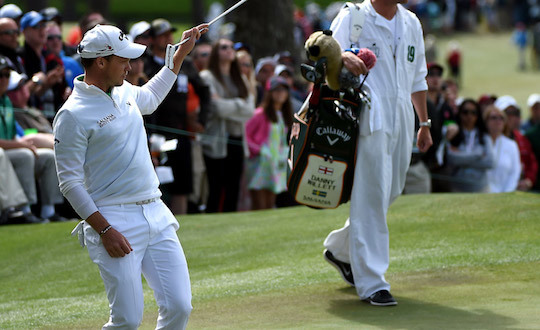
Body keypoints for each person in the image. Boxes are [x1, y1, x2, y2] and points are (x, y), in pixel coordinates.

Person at [53, 23, 206, 329]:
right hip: (113, 219)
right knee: (127, 320)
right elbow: (69, 182)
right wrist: (105, 230)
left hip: (155, 210)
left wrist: (178, 57)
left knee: (179, 306)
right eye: (123, 59)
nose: (131, 65)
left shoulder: (123, 91)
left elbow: (149, 98)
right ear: (100, 61)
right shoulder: (72, 114)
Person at [322, 0, 432, 306]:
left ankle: (341, 250)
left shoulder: (411, 21)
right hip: (367, 113)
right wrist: (343, 55)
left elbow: (418, 77)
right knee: (372, 195)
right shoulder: (353, 15)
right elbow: (325, 55)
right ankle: (373, 283)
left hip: (403, 118)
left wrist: (424, 123)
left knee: (390, 191)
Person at [0, 55, 64, 223]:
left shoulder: (5, 100)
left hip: (10, 148)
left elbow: (12, 132)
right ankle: (24, 210)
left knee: (48, 157)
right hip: (6, 151)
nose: (4, 80)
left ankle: (48, 211)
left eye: (7, 75)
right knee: (25, 155)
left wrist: (21, 143)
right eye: (1, 75)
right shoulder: (8, 102)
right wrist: (20, 144)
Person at [199, 38, 254, 213]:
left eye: (231, 47)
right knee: (215, 186)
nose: (229, 50)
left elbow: (250, 109)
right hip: (216, 140)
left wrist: (229, 104)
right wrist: (239, 105)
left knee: (233, 187)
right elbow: (216, 108)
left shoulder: (240, 78)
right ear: (216, 52)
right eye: (224, 47)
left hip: (237, 138)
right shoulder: (207, 77)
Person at [245, 76, 292, 210]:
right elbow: (246, 135)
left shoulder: (283, 114)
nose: (280, 93)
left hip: (276, 162)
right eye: (276, 90)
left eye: (283, 90)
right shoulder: (260, 114)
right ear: (269, 92)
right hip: (260, 163)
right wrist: (258, 150)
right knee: (260, 204)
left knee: (270, 203)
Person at [446, 99, 494, 192]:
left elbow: (490, 162)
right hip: (457, 188)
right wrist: (478, 155)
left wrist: (462, 158)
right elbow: (451, 158)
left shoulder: (484, 137)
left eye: (473, 112)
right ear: (460, 113)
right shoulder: (453, 134)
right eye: (465, 112)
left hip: (481, 188)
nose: (469, 116)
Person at [494, 95, 538, 191]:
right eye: (507, 113)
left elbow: (532, 163)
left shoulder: (522, 138)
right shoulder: (490, 139)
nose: (511, 117)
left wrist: (529, 180)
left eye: (515, 113)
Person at [483, 105, 521, 193]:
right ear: (486, 121)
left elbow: (515, 172)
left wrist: (507, 192)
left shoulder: (511, 145)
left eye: (501, 118)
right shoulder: (479, 142)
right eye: (493, 118)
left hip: (504, 194)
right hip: (481, 193)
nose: (498, 121)